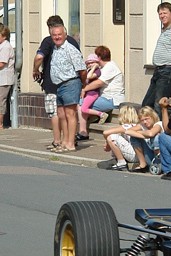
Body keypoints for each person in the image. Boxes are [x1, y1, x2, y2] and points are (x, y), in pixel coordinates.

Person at [32, 15, 80, 151]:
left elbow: (39, 57)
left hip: (53, 83)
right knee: (65, 113)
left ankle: (58, 140)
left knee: (56, 113)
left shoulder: (48, 41)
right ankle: (68, 140)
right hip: (69, 82)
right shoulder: (72, 41)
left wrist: (35, 70)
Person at [49, 24, 86, 153]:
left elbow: (82, 69)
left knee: (70, 114)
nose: (57, 37)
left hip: (71, 83)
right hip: (59, 85)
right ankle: (64, 142)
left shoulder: (70, 49)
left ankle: (71, 143)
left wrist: (83, 85)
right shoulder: (56, 48)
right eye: (54, 35)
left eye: (59, 34)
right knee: (61, 114)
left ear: (65, 35)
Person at [77, 46, 126, 139]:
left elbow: (99, 83)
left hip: (112, 99)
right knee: (84, 102)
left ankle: (83, 132)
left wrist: (84, 89)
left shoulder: (110, 67)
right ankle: (95, 117)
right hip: (105, 98)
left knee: (81, 105)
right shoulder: (104, 67)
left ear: (99, 57)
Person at [102, 104, 148, 172]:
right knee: (116, 138)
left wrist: (107, 143)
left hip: (134, 155)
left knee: (111, 137)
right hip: (142, 154)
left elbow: (105, 132)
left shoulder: (126, 126)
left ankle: (121, 162)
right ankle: (119, 159)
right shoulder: (138, 125)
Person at [0, 25, 14, 129]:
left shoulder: (5, 46)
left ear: (4, 36)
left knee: (1, 101)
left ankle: (0, 123)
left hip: (4, 79)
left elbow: (2, 63)